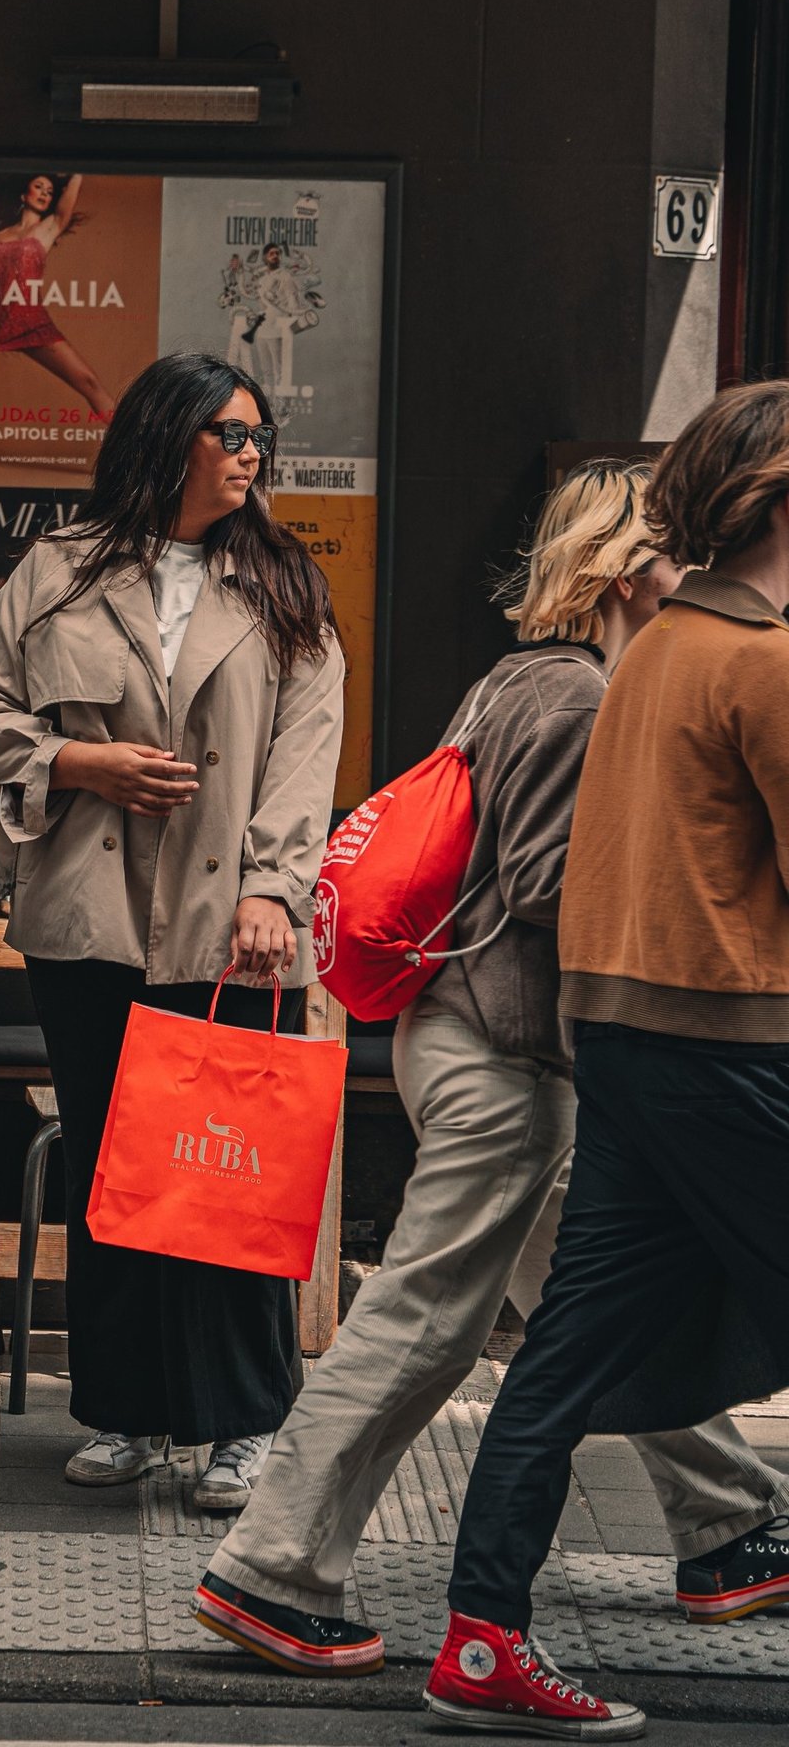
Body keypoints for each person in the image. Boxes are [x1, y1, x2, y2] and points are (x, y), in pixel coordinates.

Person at [193, 459, 789, 1680]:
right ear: (629, 577)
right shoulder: (576, 699)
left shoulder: (522, 679)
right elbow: (555, 889)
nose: (691, 578)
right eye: (674, 557)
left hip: (483, 1040)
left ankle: (729, 1523)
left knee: (600, 1301)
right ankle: (275, 1566)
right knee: (427, 1317)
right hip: (512, 1052)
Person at [423, 383, 789, 1740]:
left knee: (561, 1358)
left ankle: (479, 1643)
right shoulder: (760, 662)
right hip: (733, 1046)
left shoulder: (648, 658)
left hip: (623, 1043)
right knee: (573, 1352)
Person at [0, 349, 344, 1507]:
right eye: (230, 433)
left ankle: (241, 1423)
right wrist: (78, 760)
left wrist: (275, 889)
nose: (251, 454)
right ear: (166, 438)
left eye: (259, 437)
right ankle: (126, 1411)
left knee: (228, 1177)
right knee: (116, 1172)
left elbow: (305, 756)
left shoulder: (286, 587)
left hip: (235, 929)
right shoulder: (62, 572)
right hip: (89, 920)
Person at [0, 173, 118, 482]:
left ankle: (136, 452)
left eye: (49, 190)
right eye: (39, 187)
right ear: (23, 194)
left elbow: (66, 201)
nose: (45, 193)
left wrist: (77, 169)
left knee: (88, 382)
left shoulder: (49, 228)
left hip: (31, 322)